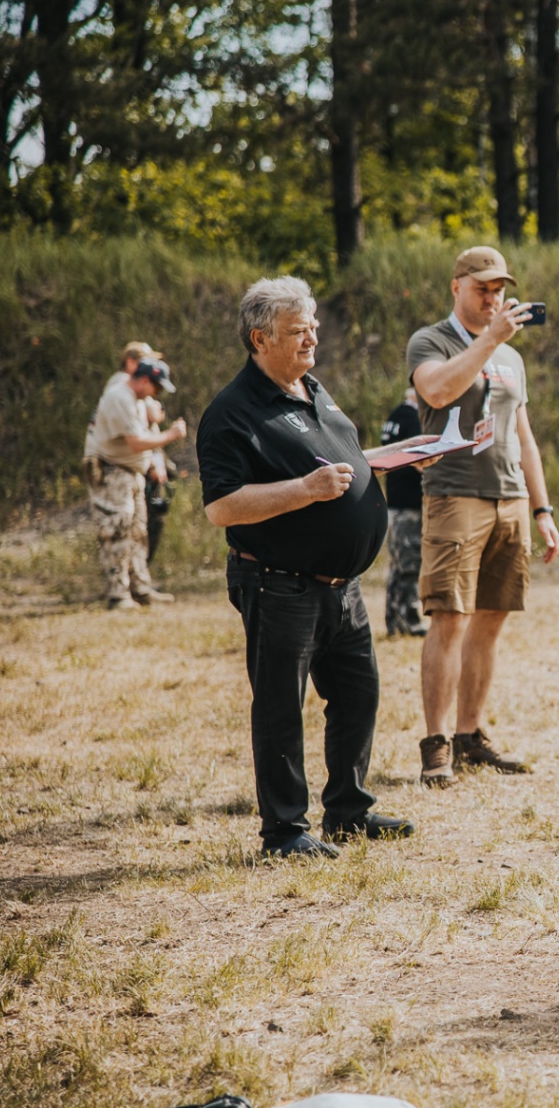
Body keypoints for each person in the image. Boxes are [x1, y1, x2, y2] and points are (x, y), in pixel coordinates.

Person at [198, 276, 414, 860]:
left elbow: (337, 459)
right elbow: (221, 506)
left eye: (313, 325)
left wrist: (374, 468)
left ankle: (349, 811)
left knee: (357, 696)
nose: (312, 337)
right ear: (259, 339)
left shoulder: (313, 389)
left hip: (343, 587)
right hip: (279, 583)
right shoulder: (232, 413)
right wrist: (307, 489)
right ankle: (285, 831)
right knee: (280, 708)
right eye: (298, 330)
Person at [406, 246, 559, 788]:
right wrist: (489, 339)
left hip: (510, 498)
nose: (492, 298)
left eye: (499, 290)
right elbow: (437, 389)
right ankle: (437, 744)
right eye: (482, 289)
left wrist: (540, 506)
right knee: (449, 617)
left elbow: (524, 435)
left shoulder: (513, 357)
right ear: (457, 287)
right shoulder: (431, 341)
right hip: (456, 497)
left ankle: (471, 736)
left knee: (491, 619)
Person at [86, 358, 186, 609]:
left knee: (138, 533)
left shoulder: (137, 400)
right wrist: (170, 436)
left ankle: (140, 589)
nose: (158, 394)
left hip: (131, 472)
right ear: (144, 380)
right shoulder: (120, 397)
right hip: (113, 473)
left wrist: (152, 465)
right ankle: (118, 595)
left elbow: (141, 438)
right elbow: (136, 442)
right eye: (157, 387)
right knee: (117, 532)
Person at [379, 388, 428, 637]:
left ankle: (394, 620)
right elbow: (422, 460)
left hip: (396, 501)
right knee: (409, 564)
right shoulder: (412, 419)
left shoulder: (395, 416)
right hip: (409, 503)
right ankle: (409, 620)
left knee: (399, 565)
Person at [141, 395, 176, 563]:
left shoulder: (153, 427)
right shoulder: (139, 411)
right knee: (142, 527)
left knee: (156, 523)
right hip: (142, 483)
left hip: (155, 486)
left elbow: (158, 452)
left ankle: (144, 568)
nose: (161, 411)